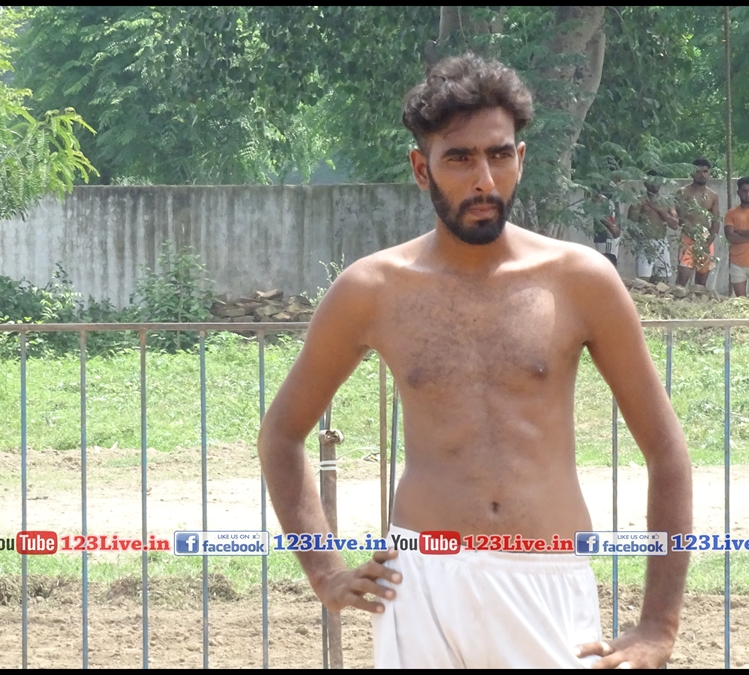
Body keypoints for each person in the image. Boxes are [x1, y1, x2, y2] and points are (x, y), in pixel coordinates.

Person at [257, 53, 692, 669]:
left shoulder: (581, 280)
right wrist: (325, 572)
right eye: (459, 158)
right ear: (422, 168)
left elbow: (667, 452)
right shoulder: (372, 289)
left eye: (499, 155)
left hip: (546, 580)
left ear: (521, 159)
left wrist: (657, 625)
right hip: (419, 584)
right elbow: (281, 434)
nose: (484, 179)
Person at [628, 170, 680, 283]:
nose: (655, 184)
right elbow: (631, 226)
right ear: (645, 183)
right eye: (652, 181)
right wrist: (642, 241)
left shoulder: (667, 202)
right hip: (645, 243)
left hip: (662, 242)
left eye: (657, 180)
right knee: (643, 280)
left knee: (663, 280)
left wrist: (660, 210)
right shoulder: (639, 201)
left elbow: (675, 224)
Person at [676, 158, 721, 287]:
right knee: (682, 279)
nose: (702, 175)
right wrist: (694, 237)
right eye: (698, 171)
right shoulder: (683, 192)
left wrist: (708, 242)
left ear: (709, 173)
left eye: (705, 171)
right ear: (692, 173)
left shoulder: (713, 195)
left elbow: (716, 221)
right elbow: (681, 219)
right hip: (688, 238)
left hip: (706, 239)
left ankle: (697, 299)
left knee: (701, 282)